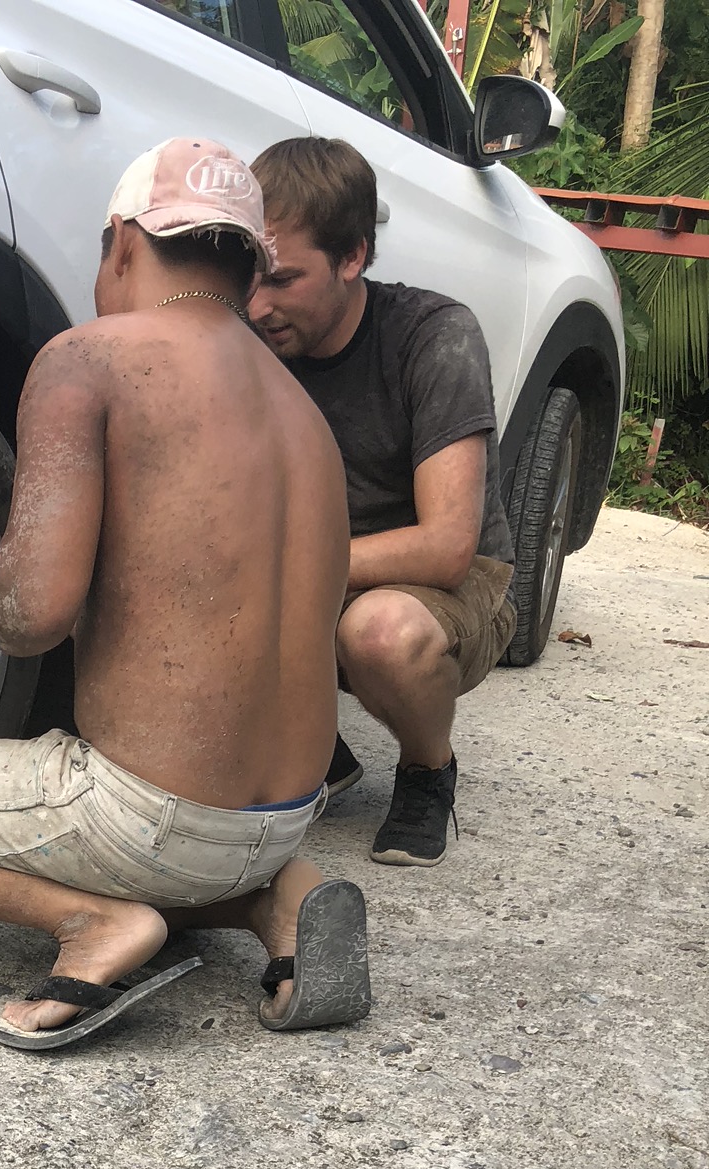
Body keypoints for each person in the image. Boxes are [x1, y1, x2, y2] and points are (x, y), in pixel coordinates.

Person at [0, 137, 370, 1052]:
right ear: (248, 265)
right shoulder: (301, 410)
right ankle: (273, 899)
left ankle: (95, 923)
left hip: (151, 820)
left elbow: (34, 612)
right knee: (185, 838)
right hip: (287, 816)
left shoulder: (90, 358)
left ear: (123, 243)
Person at [249, 136, 516, 868]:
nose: (257, 305)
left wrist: (284, 565)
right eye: (249, 276)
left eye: (283, 279)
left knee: (380, 634)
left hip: (442, 587)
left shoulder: (435, 337)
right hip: (313, 570)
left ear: (353, 257)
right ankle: (319, 752)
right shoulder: (249, 339)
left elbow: (447, 547)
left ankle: (428, 769)